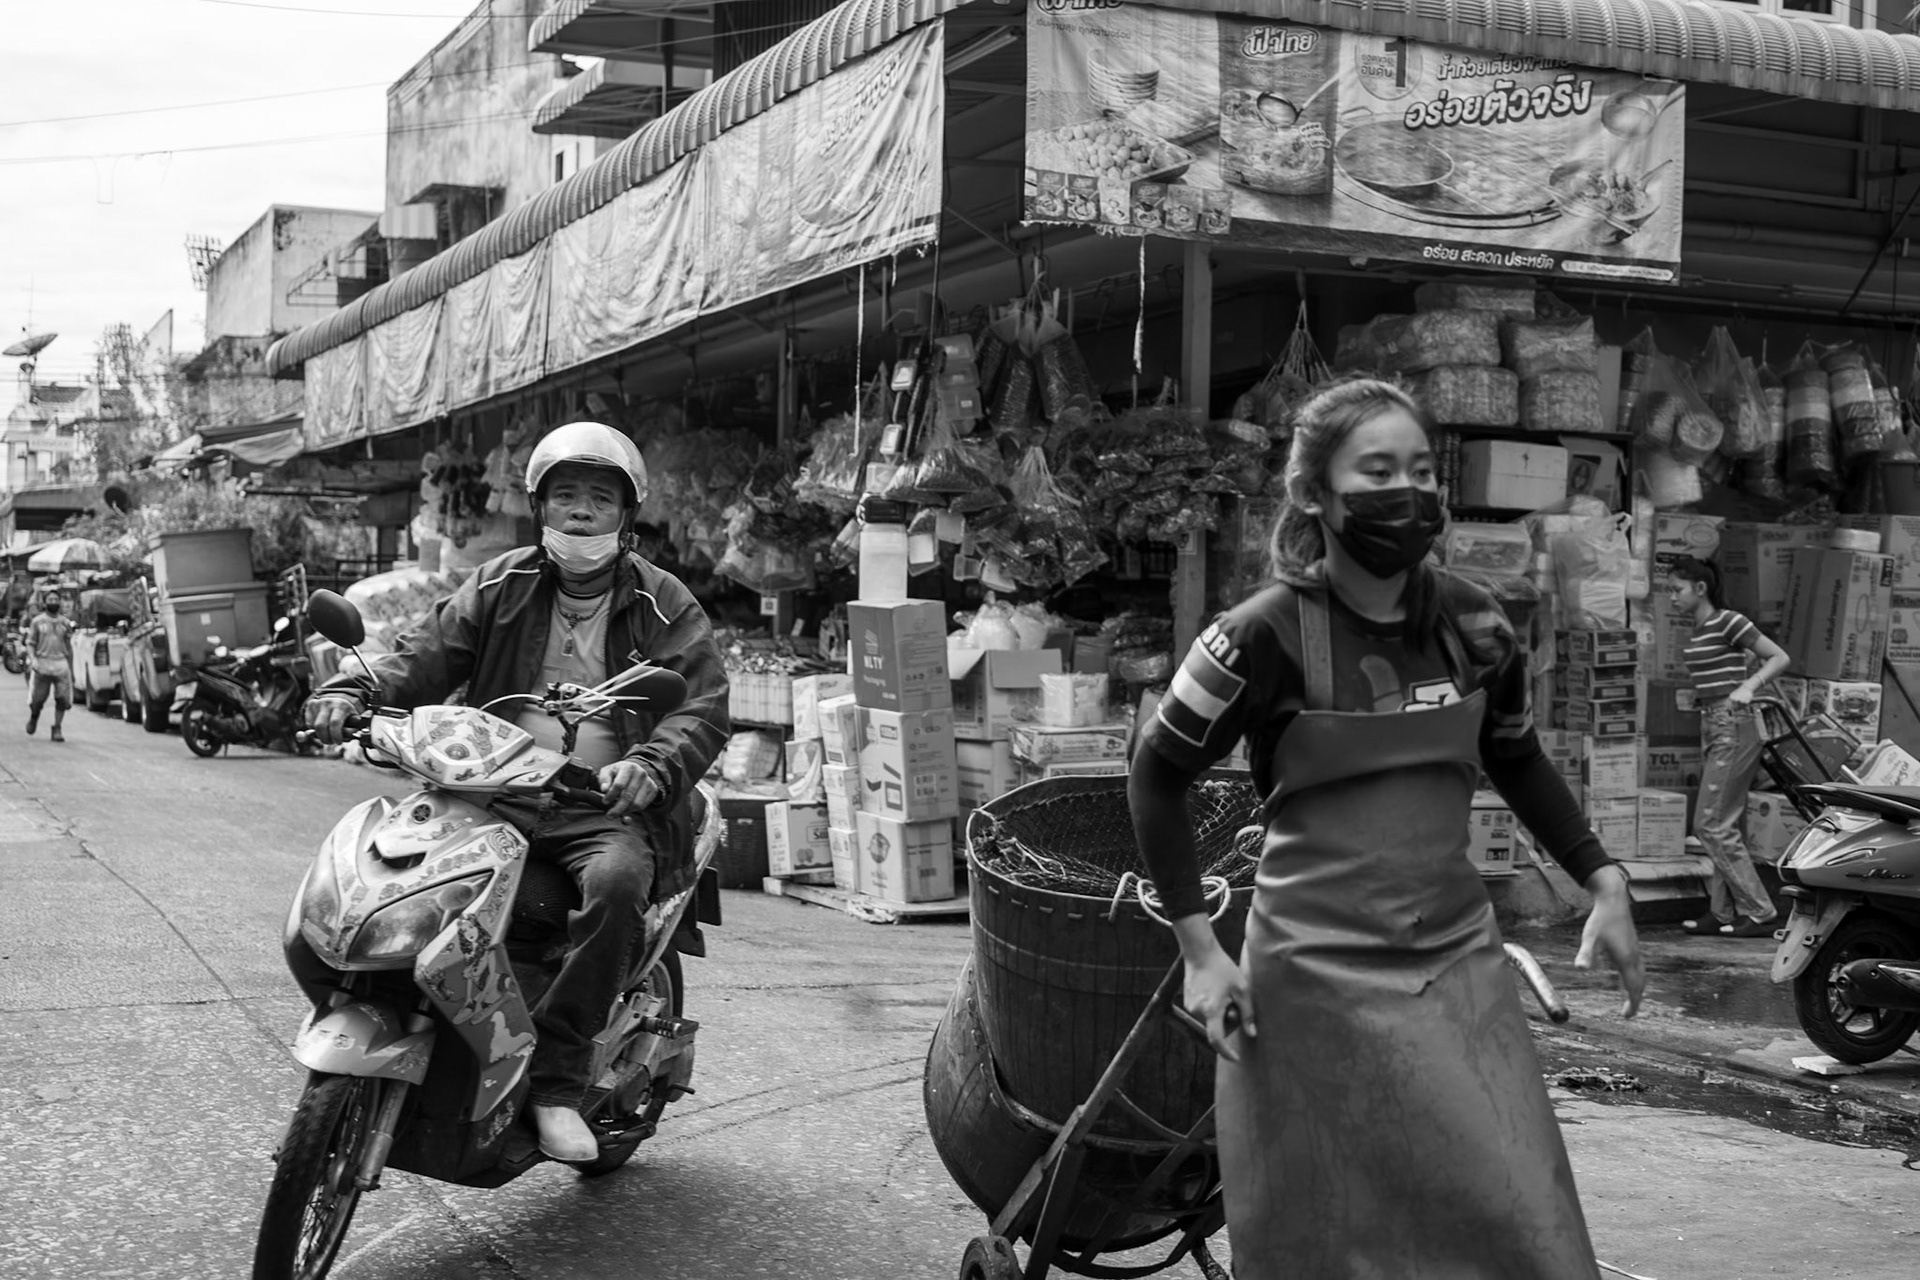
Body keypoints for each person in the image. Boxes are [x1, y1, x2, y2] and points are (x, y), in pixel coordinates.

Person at [1127, 378, 1645, 1279]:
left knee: (1519, 1209)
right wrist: (1201, 952)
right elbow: (1155, 773)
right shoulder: (1252, 638)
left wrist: (1603, 878)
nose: (1406, 492)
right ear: (1314, 493)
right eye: (1376, 472)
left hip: (1454, 961)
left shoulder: (1478, 626)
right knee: (1328, 1228)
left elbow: (1516, 757)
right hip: (1308, 977)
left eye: (1420, 471)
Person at [305, 421, 730, 1163]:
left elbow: (700, 703)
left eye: (600, 498)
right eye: (565, 495)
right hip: (489, 783)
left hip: (600, 805)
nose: (581, 511)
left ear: (626, 515)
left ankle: (556, 1084)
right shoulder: (498, 584)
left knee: (617, 885)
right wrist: (355, 690)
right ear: (539, 506)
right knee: (395, 870)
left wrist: (651, 765)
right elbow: (426, 655)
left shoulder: (665, 603)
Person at [1669, 556, 1790, 939]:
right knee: (1724, 823)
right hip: (1713, 724)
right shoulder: (1700, 629)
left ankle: (1761, 911)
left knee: (1709, 823)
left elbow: (1779, 657)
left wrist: (1749, 686)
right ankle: (1721, 911)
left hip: (1733, 725)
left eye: (1677, 589)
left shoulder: (1729, 621)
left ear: (1700, 588)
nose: (1672, 597)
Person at [25, 591, 75, 742]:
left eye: (56, 599)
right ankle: (34, 717)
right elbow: (30, 643)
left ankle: (57, 727)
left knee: (62, 699)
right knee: (37, 700)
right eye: (50, 599)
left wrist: (71, 669)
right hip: (42, 664)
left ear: (59, 602)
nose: (53, 602)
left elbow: (69, 646)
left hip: (61, 664)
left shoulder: (65, 623)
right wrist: (33, 660)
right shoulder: (37, 622)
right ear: (44, 603)